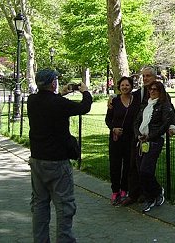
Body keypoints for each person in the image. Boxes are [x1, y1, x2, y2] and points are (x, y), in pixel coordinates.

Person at [27, 69, 92, 243]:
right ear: (53, 83)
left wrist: (61, 93)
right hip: (57, 163)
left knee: (40, 204)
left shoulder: (32, 101)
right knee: (64, 206)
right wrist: (85, 92)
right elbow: (84, 107)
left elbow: (49, 102)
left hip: (37, 160)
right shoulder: (59, 104)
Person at [118, 66, 175, 206]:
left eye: (148, 76)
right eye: (143, 76)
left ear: (154, 77)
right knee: (134, 165)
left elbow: (170, 111)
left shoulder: (162, 94)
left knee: (146, 167)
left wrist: (172, 126)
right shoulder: (139, 93)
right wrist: (113, 97)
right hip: (137, 135)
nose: (145, 79)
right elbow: (124, 94)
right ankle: (134, 193)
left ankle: (147, 193)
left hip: (152, 137)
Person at [134, 80, 172, 212]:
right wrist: (138, 134)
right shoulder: (146, 105)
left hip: (154, 141)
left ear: (160, 91)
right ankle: (154, 193)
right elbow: (137, 121)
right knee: (141, 171)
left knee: (146, 170)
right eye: (151, 89)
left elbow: (164, 124)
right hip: (141, 141)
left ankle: (152, 196)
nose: (152, 91)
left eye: (155, 89)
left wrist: (150, 136)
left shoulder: (163, 105)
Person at [105, 76, 140, 205]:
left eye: (127, 85)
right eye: (122, 85)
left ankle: (125, 190)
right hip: (116, 138)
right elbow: (108, 119)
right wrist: (113, 128)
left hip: (130, 138)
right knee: (115, 165)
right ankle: (115, 191)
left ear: (131, 86)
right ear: (119, 87)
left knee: (128, 165)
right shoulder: (114, 101)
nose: (125, 87)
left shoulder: (136, 100)